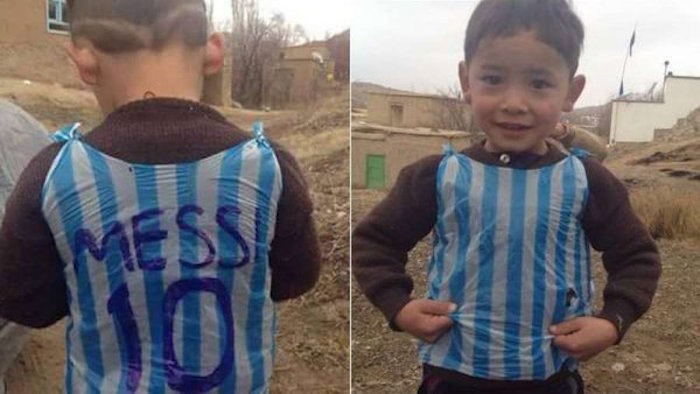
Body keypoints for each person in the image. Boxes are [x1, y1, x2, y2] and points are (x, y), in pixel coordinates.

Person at [0, 1, 320, 392]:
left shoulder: (51, 175)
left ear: (83, 60)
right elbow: (297, 277)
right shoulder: (270, 169)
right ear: (214, 51)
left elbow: (21, 301)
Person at [352, 0, 660, 393]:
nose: (514, 102)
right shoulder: (439, 176)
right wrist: (399, 306)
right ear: (466, 80)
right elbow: (374, 241)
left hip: (549, 377)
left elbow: (637, 256)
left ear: (571, 91)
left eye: (539, 83)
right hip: (453, 375)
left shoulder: (585, 180)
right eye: (493, 79)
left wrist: (613, 320)